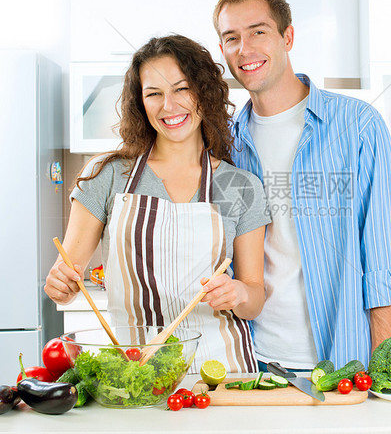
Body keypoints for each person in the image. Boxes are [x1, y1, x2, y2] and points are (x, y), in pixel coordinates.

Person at [44, 35, 270, 373]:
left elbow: (255, 298)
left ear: (204, 94)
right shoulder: (106, 174)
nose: (169, 106)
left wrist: (238, 293)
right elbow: (68, 280)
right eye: (154, 94)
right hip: (137, 372)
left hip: (222, 372)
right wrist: (60, 286)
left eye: (181, 89)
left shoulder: (240, 185)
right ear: (140, 102)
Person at [213, 0, 391, 370]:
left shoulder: (358, 126)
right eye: (231, 38)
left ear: (287, 36)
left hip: (341, 365)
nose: (244, 49)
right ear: (222, 49)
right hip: (252, 364)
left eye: (258, 32)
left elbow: (383, 261)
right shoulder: (227, 144)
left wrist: (381, 374)